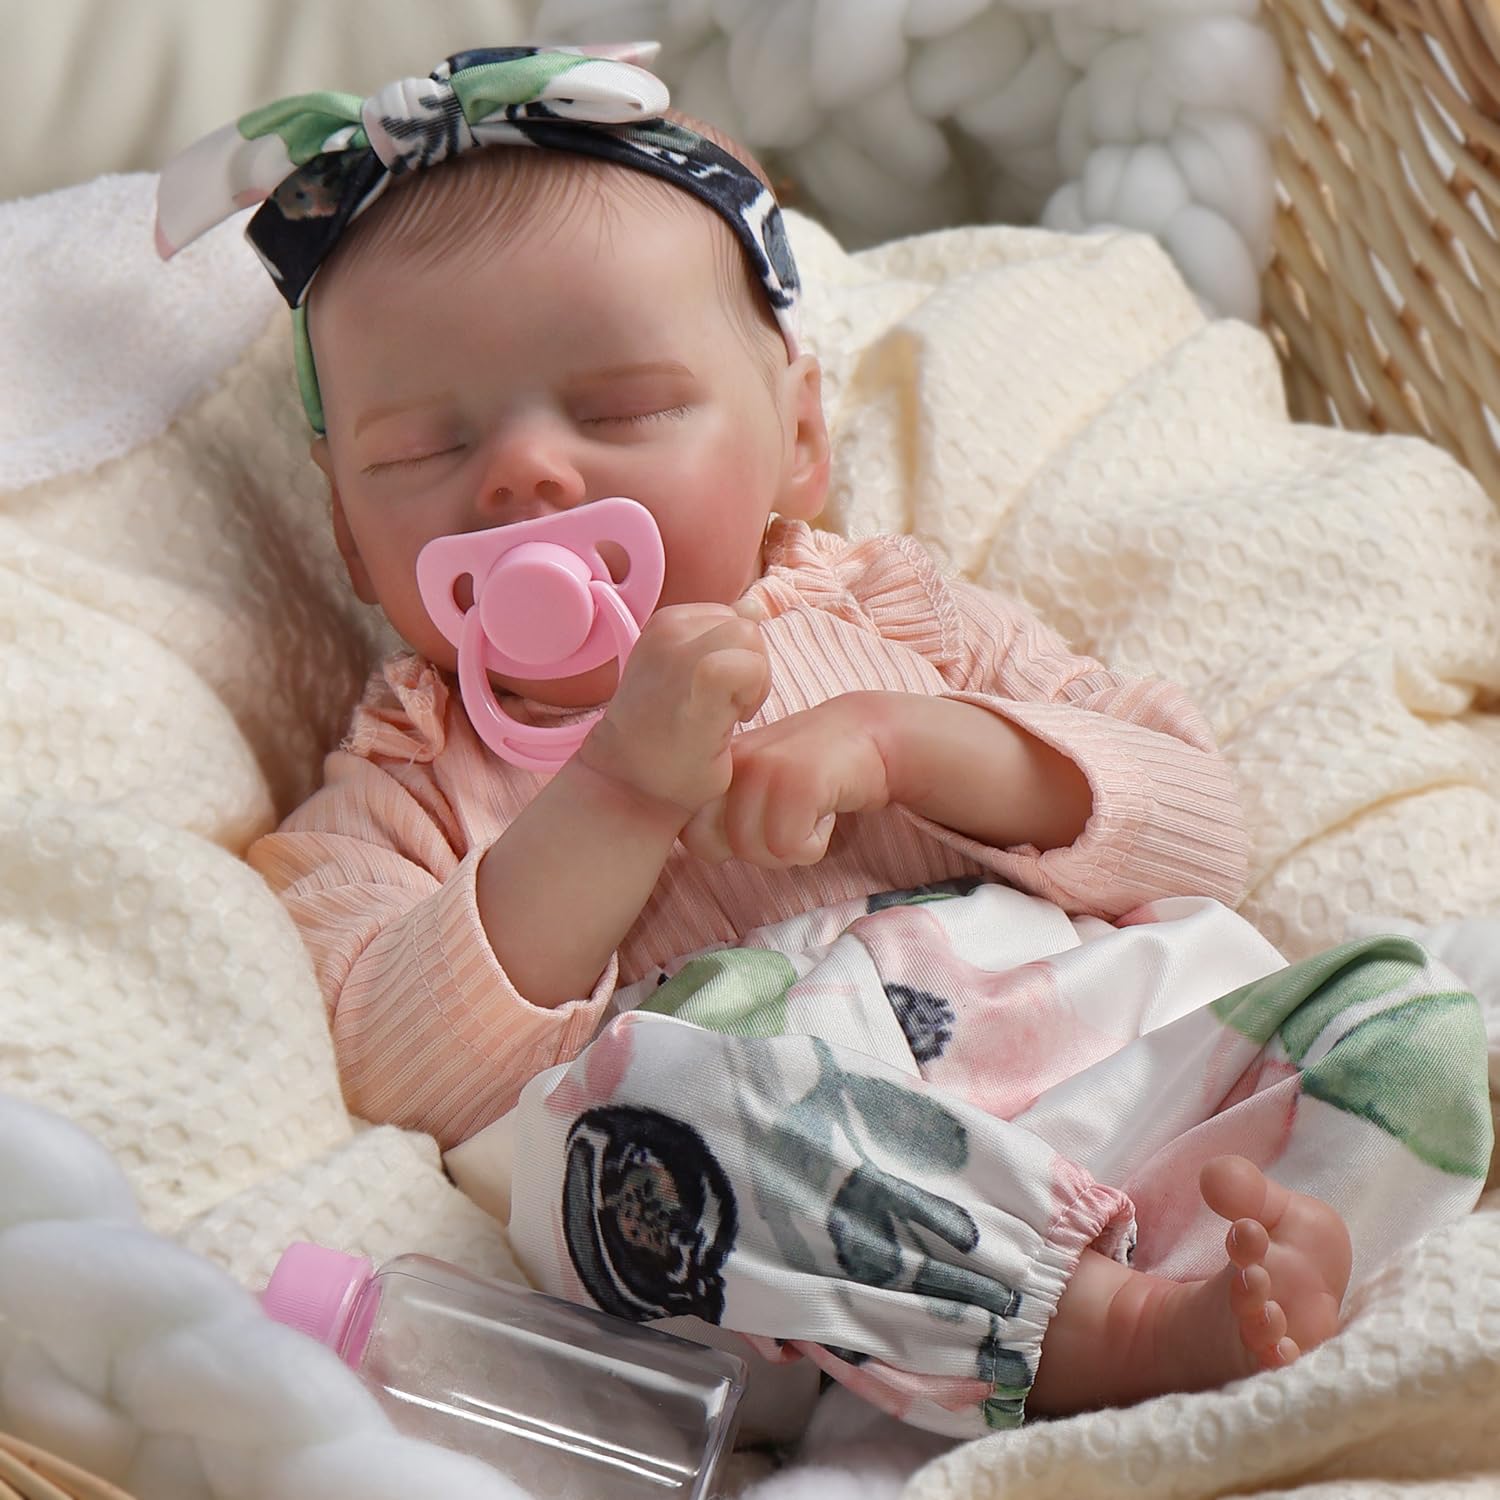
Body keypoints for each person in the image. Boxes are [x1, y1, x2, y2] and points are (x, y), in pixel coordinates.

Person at [157, 45, 1486, 1434]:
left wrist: (912, 745)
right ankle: (1108, 1335)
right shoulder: (399, 783)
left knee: (1405, 1016)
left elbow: (1194, 824)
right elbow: (403, 1075)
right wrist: (615, 793)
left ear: (799, 437)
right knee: (629, 1123)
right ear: (349, 539)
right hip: (805, 1249)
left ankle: (1265, 1260)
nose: (526, 474)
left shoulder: (886, 610)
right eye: (424, 451)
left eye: (618, 411)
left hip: (1104, 1083)